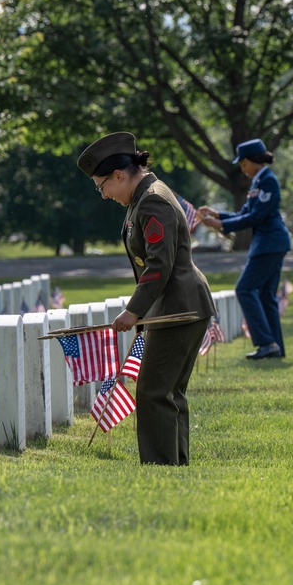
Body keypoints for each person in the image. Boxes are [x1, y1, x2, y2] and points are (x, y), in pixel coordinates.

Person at [78, 132, 216, 466]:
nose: (104, 195)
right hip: (178, 305)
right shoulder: (144, 197)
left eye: (102, 186)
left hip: (178, 308)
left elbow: (159, 265)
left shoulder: (152, 199)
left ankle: (161, 468)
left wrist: (132, 311)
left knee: (153, 392)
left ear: (119, 176)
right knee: (168, 392)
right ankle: (175, 464)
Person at [198, 138, 291, 360]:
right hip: (269, 244)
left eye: (243, 164)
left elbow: (256, 216)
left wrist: (221, 225)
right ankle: (274, 347)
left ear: (252, 161)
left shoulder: (267, 181)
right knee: (266, 296)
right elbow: (244, 213)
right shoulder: (259, 182)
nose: (242, 168)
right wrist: (218, 215)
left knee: (244, 289)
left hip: (269, 244)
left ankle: (266, 343)